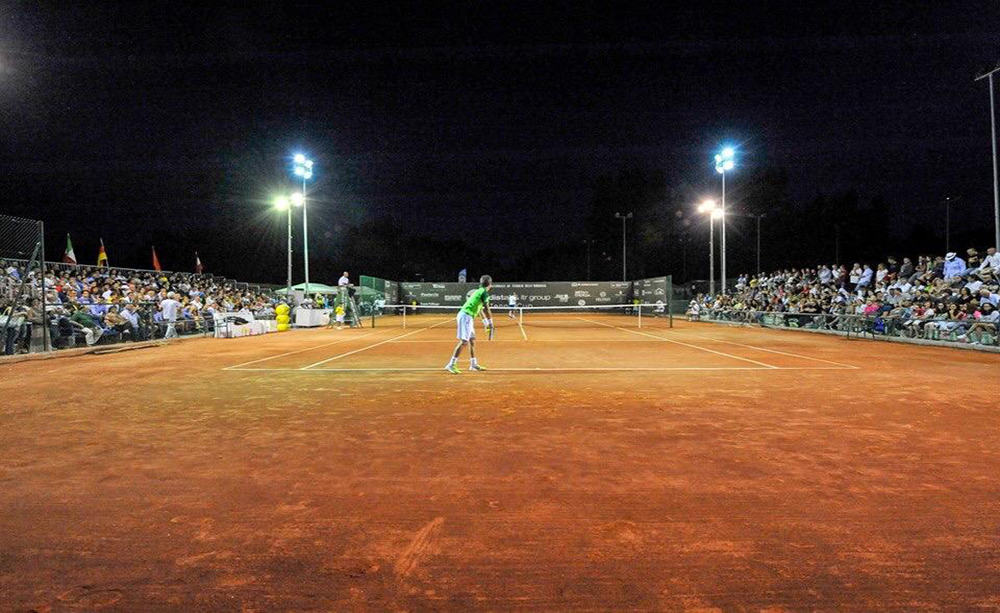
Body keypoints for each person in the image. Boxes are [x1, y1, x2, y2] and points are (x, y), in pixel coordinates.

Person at [445, 274, 493, 374]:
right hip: (466, 316)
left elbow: (480, 310)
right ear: (490, 284)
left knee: (472, 341)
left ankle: (473, 364)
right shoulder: (484, 292)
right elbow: (487, 308)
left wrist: (485, 323)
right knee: (464, 342)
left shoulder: (479, 291)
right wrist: (491, 323)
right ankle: (451, 364)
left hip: (467, 317)